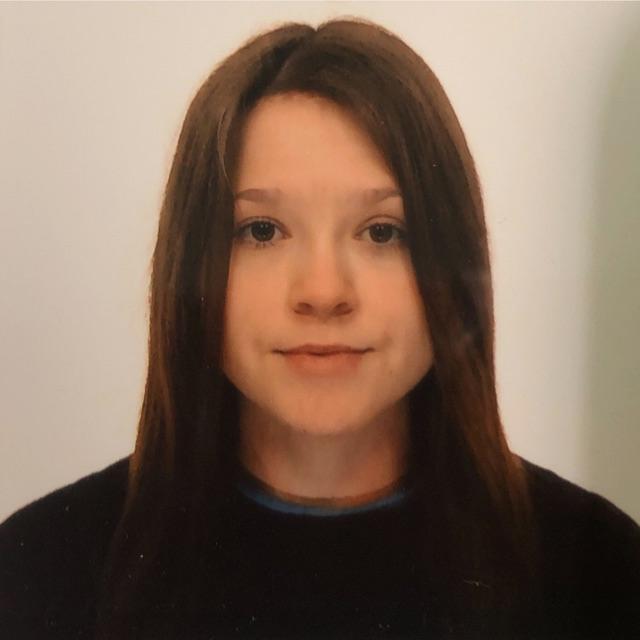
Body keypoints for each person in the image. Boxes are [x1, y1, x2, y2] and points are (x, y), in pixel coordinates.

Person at [1, 17, 639, 640]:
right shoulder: (41, 570)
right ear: (191, 263)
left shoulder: (600, 573)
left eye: (382, 232)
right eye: (262, 231)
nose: (323, 292)